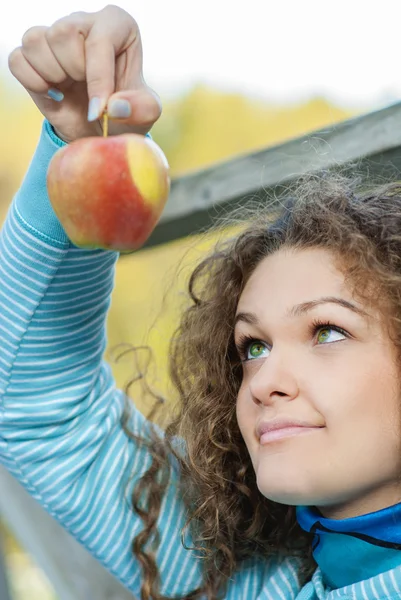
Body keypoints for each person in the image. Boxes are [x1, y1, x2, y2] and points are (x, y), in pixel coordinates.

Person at [2, 5, 401, 600]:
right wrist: (85, 148)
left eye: (327, 331)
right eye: (254, 346)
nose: (264, 382)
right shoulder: (238, 578)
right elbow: (40, 404)